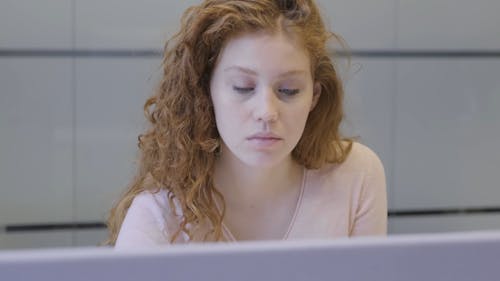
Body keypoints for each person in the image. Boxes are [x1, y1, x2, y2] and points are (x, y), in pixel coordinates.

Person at [106, 0, 387, 247]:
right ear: (206, 91)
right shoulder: (159, 214)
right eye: (242, 87)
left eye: (288, 90)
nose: (266, 112)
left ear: (314, 96)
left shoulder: (356, 175)